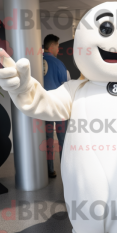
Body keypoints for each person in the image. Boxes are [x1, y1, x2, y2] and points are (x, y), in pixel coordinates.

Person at [43, 34, 69, 178]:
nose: (58, 49)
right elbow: (65, 85)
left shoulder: (36, 62)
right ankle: (65, 169)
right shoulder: (58, 64)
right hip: (58, 107)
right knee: (62, 139)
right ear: (52, 47)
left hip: (43, 108)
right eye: (58, 46)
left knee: (47, 139)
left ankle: (49, 170)